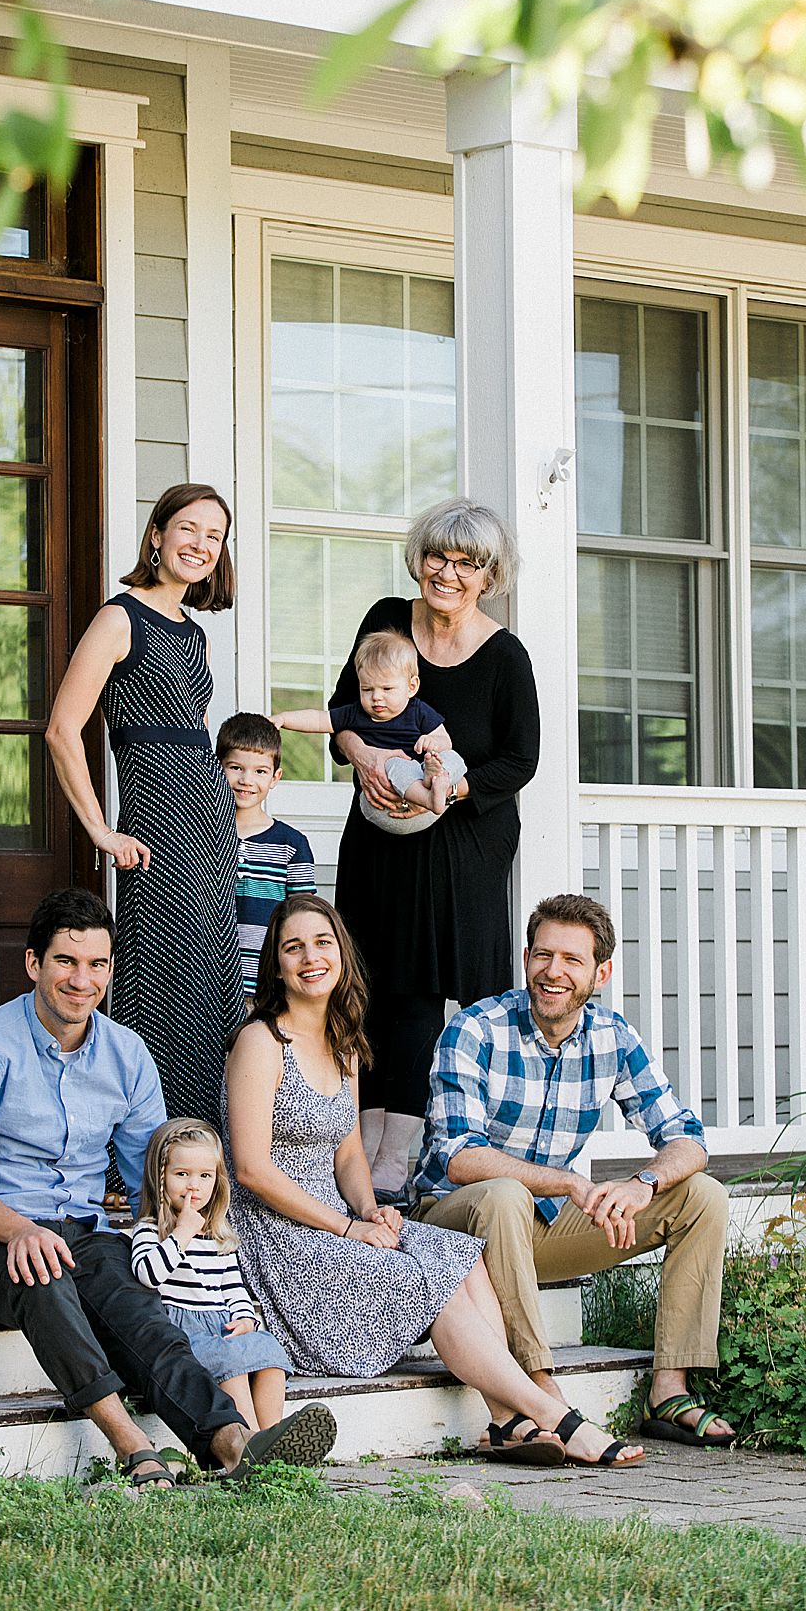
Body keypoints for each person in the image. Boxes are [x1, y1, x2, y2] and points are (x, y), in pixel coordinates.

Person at [0, 888, 336, 1490]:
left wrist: (203, 1247)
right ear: (34, 963)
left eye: (98, 964)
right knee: (43, 1274)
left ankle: (232, 1442)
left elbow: (156, 1166)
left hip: (84, 1236)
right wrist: (20, 1229)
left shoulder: (125, 1052)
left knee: (138, 1311)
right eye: (66, 961)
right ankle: (132, 1445)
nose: (82, 979)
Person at [223, 895, 645, 1467]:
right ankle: (556, 1416)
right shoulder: (261, 1041)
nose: (310, 957)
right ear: (276, 965)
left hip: (337, 1218)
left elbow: (348, 1151)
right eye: (293, 947)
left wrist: (372, 1211)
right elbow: (251, 1170)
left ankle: (503, 1420)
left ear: (341, 955)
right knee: (420, 1280)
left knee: (460, 1255)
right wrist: (350, 1229)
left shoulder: (342, 1042)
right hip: (277, 1233)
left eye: (322, 943)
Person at [412, 893, 735, 1449]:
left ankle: (669, 1389)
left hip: (536, 1229)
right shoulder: (475, 1029)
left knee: (701, 1194)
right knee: (505, 1194)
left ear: (601, 972)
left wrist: (643, 1184)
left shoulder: (613, 1037)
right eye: (543, 955)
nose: (553, 972)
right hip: (451, 1224)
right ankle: (541, 1392)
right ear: (525, 958)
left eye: (571, 960)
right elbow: (458, 1157)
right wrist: (567, 1181)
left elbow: (687, 1138)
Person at [328, 498, 540, 1206]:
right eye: (438, 556)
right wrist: (362, 759)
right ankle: (359, 1147)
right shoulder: (387, 622)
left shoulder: (505, 655)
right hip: (381, 838)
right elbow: (342, 718)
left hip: (464, 842)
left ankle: (419, 1154)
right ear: (420, 558)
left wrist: (447, 795)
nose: (447, 573)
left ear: (489, 575)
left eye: (467, 562)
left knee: (427, 988)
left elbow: (520, 760)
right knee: (368, 986)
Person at [46, 483, 244, 1127]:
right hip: (155, 826)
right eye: (188, 528)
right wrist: (102, 830)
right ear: (156, 534)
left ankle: (196, 1155)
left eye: (214, 536)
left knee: (207, 982)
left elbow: (193, 735)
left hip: (213, 828)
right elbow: (62, 729)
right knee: (153, 983)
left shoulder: (197, 631)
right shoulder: (119, 617)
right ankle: (134, 1155)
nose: (200, 545)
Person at [131, 1117, 293, 1434]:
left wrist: (246, 1319)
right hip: (181, 1329)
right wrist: (181, 1235)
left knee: (270, 1353)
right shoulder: (151, 1230)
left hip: (220, 1324)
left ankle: (273, 1437)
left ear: (216, 1181)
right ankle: (249, 1444)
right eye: (182, 1174)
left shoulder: (218, 1235)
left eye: (205, 1176)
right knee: (230, 1362)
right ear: (159, 1178)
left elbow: (233, 1288)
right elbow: (147, 1274)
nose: (194, 1185)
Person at [275, 628, 467, 831]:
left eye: (387, 689)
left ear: (411, 686)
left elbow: (445, 741)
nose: (376, 697)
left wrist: (432, 742)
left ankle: (434, 780)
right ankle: (428, 796)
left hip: (424, 802)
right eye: (367, 689)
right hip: (384, 804)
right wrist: (282, 718)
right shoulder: (355, 713)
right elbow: (317, 720)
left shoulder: (418, 711)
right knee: (394, 763)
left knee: (452, 757)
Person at [215, 712, 316, 1000]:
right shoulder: (203, 837)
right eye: (235, 767)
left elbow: (301, 918)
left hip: (266, 987)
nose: (246, 780)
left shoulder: (291, 845)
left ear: (275, 777)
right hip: (207, 983)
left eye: (260, 771)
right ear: (217, 767)